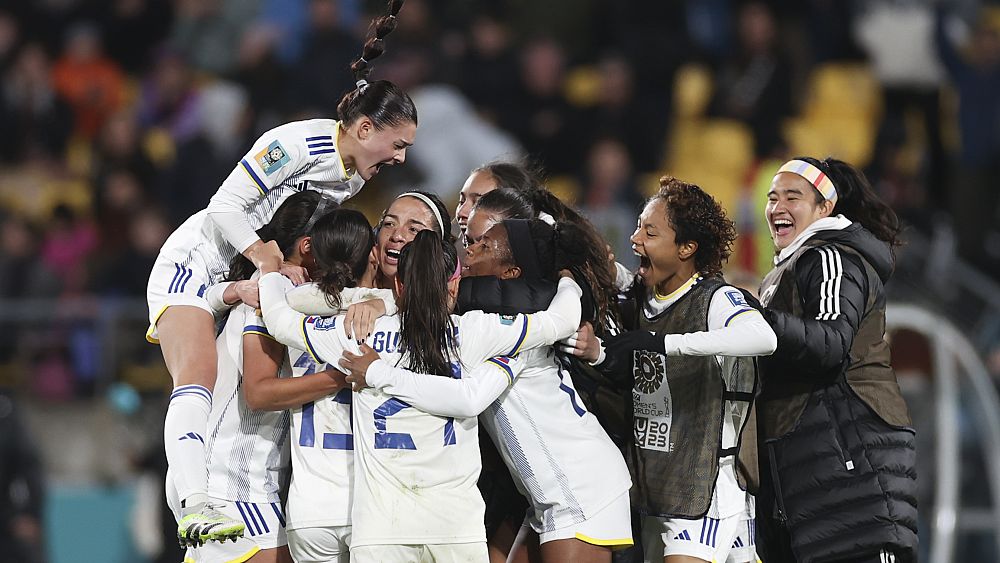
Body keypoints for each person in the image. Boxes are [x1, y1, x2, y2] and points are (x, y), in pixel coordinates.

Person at [146, 0, 417, 546]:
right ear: (365, 128)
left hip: (244, 275)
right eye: (398, 145)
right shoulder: (294, 144)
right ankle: (192, 504)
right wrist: (267, 258)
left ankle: (208, 502)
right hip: (198, 259)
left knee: (228, 390)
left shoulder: (353, 179)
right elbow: (224, 207)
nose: (401, 159)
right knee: (197, 374)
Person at [255, 228, 584, 562]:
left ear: (398, 286)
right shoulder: (475, 331)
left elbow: (279, 321)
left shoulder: (357, 333)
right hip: (456, 530)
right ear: (453, 285)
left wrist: (269, 272)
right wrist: (569, 279)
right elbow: (564, 320)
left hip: (382, 533)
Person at [340, 219, 635, 563]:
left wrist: (378, 373)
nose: (470, 249)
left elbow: (469, 398)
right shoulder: (487, 317)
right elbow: (426, 296)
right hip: (549, 493)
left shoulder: (512, 329)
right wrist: (384, 303)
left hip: (579, 486)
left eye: (484, 245)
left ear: (510, 272)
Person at [572, 177, 776, 563]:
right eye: (637, 227)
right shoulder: (645, 297)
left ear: (686, 248)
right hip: (659, 485)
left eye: (650, 232)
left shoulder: (716, 298)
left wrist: (666, 344)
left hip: (707, 488)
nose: (635, 239)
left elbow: (763, 337)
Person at [754, 157, 917, 562]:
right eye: (772, 198)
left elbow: (830, 342)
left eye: (792, 197)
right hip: (818, 486)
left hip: (852, 479)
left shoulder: (831, 257)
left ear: (824, 207)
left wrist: (755, 319)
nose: (777, 207)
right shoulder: (790, 267)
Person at [239, 206, 380, 563]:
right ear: (373, 256)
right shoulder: (393, 316)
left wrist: (271, 273)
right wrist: (347, 374)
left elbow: (258, 391)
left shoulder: (282, 306)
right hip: (376, 503)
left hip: (311, 507)